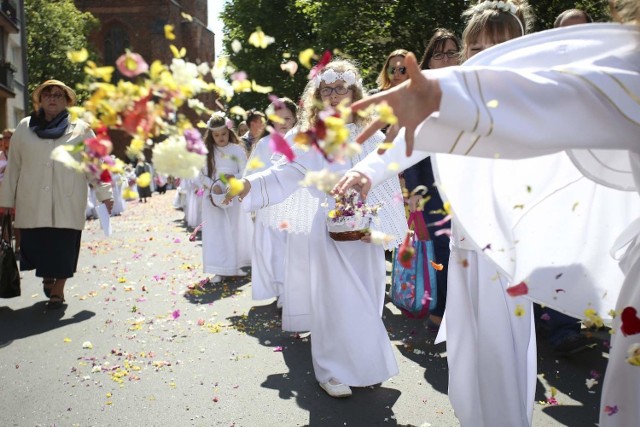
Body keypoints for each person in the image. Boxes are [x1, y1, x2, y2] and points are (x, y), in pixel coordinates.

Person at [335, 1, 640, 425]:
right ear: (464, 53)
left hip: (508, 255)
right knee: (464, 352)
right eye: (476, 48)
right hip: (464, 247)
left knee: (502, 355)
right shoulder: (456, 98)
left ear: (526, 47)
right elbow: (411, 140)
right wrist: (365, 173)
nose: (487, 56)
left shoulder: (537, 100)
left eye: (501, 45)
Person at [229, 60, 407, 398]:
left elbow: (387, 181)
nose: (335, 95)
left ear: (355, 92)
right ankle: (331, 371)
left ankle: (365, 366)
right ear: (318, 95)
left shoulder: (373, 135)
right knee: (334, 301)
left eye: (342, 88)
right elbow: (284, 174)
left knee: (368, 299)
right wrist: (247, 186)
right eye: (327, 89)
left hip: (365, 232)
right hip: (328, 232)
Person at [0, 79, 113, 309]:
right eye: (47, 94)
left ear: (67, 101)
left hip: (67, 201)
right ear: (40, 99)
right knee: (35, 247)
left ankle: (58, 292)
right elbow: (14, 168)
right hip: (32, 201)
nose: (52, 98)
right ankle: (48, 275)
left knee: (64, 248)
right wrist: (6, 201)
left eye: (58, 95)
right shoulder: (24, 127)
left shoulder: (81, 129)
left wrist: (105, 194)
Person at [403, 28, 461, 332]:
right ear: (429, 61)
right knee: (440, 251)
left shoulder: (472, 89)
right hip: (432, 189)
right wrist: (413, 192)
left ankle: (466, 313)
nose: (447, 58)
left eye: (452, 51)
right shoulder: (419, 97)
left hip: (468, 187)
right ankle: (440, 310)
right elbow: (408, 149)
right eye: (439, 53)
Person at [243, 98, 297, 305]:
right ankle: (281, 290)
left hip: (297, 205)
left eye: (287, 118)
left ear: (295, 119)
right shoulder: (264, 144)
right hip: (271, 205)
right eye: (278, 118)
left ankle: (296, 289)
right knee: (274, 250)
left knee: (295, 249)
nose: (283, 123)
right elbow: (253, 172)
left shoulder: (301, 142)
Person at [200, 112, 253, 283]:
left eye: (223, 134)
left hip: (233, 194)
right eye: (216, 135)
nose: (220, 138)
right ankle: (219, 269)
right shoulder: (207, 152)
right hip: (214, 197)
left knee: (234, 230)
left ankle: (237, 266)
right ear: (211, 135)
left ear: (229, 131)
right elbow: (200, 176)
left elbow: (245, 171)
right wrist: (213, 185)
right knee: (217, 232)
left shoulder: (236, 149)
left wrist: (234, 180)